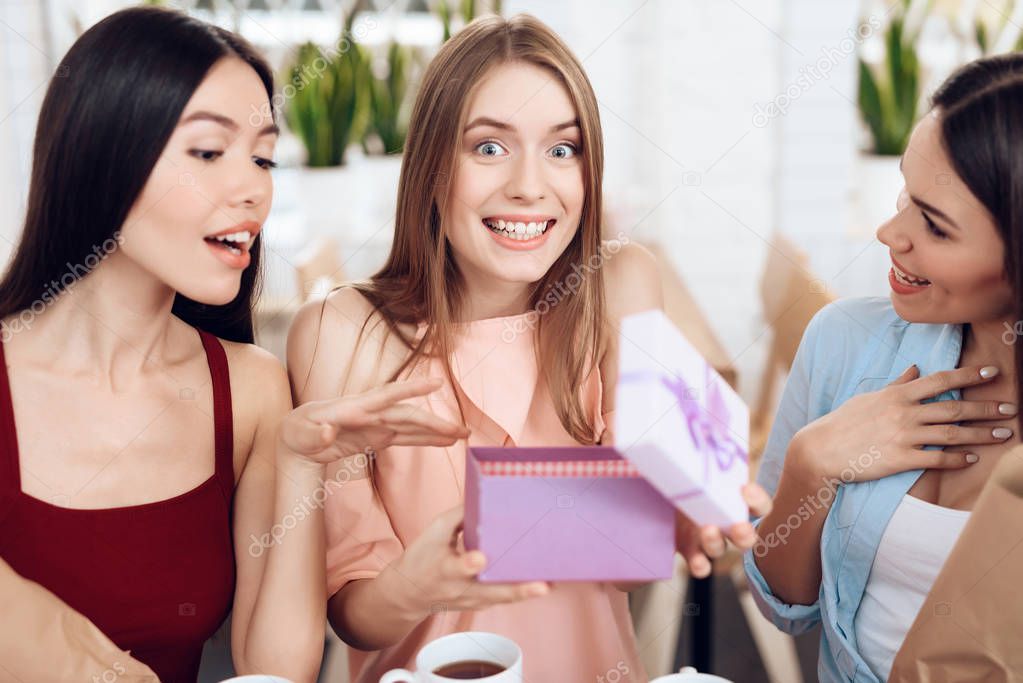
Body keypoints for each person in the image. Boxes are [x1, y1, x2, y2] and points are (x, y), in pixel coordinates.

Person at [288, 13, 768, 682]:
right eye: (489, 147)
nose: (529, 186)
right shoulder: (342, 332)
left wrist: (684, 513)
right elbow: (351, 613)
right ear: (429, 167)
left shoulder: (618, 290)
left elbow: (628, 563)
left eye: (561, 149)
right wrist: (415, 583)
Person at [0, 7, 465, 682]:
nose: (253, 188)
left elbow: (276, 669)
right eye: (208, 152)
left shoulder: (249, 388)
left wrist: (301, 462)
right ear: (102, 151)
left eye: (263, 157)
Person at [746, 53, 1023, 682]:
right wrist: (811, 463)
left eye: (935, 226)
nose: (888, 232)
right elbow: (780, 606)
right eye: (905, 192)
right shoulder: (847, 340)